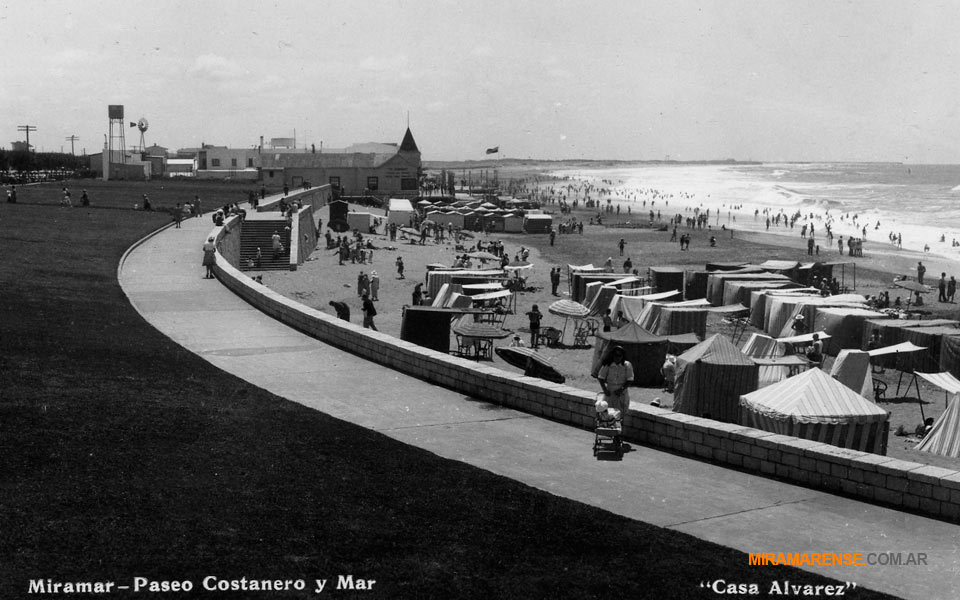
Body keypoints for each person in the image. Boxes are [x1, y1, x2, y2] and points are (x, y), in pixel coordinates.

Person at [598, 345, 634, 419]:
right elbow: (601, 377)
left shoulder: (627, 365)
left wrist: (621, 389)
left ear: (622, 356)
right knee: (608, 413)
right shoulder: (608, 364)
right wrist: (605, 390)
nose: (617, 357)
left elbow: (630, 379)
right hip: (610, 392)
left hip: (622, 393)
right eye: (615, 355)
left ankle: (619, 429)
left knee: (621, 414)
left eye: (619, 355)